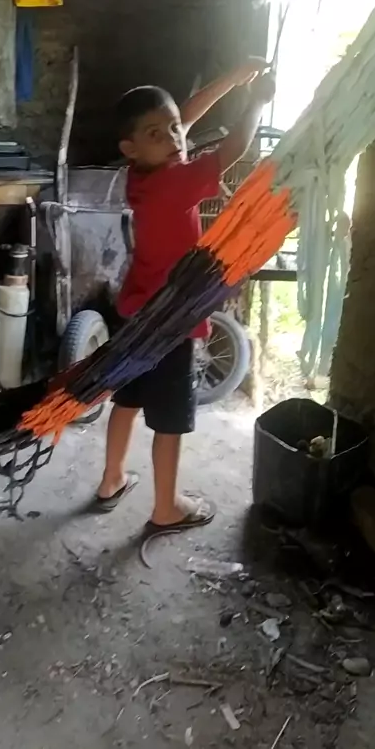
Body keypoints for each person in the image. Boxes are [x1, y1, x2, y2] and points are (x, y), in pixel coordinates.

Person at [94, 61, 276, 537]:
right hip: (169, 323)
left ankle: (112, 479)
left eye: (174, 128)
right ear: (131, 146)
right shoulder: (176, 182)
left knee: (127, 399)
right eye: (158, 133)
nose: (175, 138)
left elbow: (183, 116)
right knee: (170, 420)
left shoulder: (142, 171)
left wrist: (229, 80)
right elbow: (234, 149)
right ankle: (166, 508)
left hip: (134, 312)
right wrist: (255, 102)